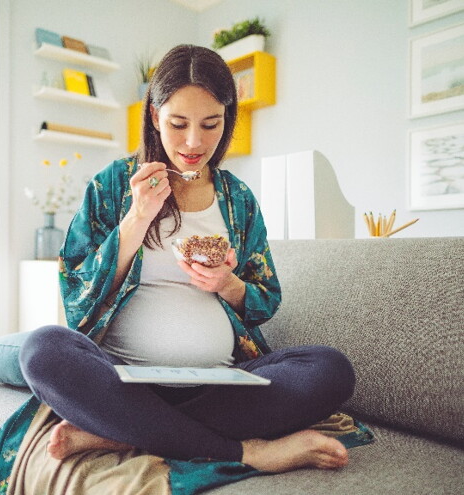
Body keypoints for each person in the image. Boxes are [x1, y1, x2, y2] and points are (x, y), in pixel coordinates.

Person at [19, 44, 356, 474]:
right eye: (178, 124)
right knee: (42, 351)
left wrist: (228, 284)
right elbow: (76, 303)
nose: (194, 142)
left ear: (227, 120)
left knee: (330, 370)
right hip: (122, 381)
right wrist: (136, 220)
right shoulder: (112, 187)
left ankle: (120, 432)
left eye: (210, 124)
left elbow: (266, 300)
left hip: (220, 383)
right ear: (155, 117)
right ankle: (246, 452)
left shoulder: (238, 200)